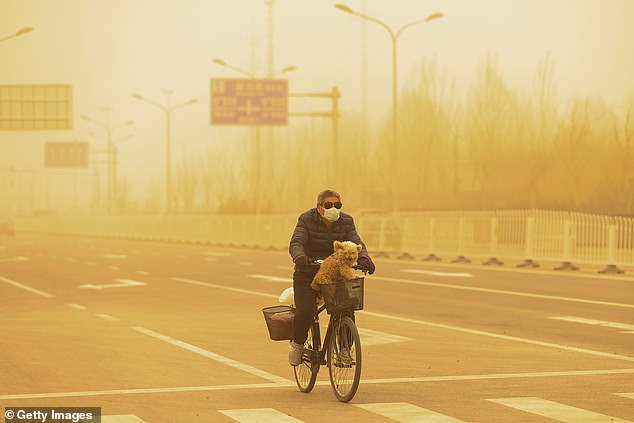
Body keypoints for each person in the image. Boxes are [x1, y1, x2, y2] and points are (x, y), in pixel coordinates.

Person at [287, 189, 375, 366]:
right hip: (308, 271)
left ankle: (343, 350)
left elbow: (357, 243)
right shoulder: (306, 219)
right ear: (319, 207)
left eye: (337, 205)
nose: (334, 209)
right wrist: (300, 257)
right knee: (305, 311)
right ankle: (297, 344)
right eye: (329, 205)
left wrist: (365, 258)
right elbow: (296, 242)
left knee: (346, 308)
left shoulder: (347, 221)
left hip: (336, 272)